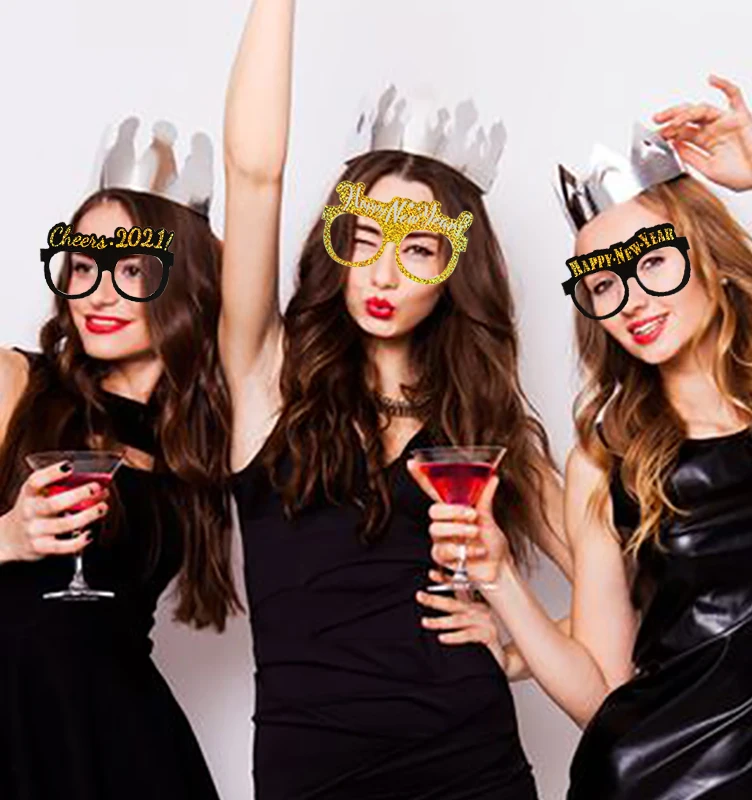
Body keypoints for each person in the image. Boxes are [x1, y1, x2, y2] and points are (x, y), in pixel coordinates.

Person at [219, 1, 572, 797]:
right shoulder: (268, 379)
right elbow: (252, 172)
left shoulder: (483, 425)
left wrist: (519, 649)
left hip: (471, 768)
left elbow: (627, 580)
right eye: (366, 240)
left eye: (417, 249)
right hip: (312, 776)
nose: (383, 273)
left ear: (454, 274)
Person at [417, 74, 752, 799]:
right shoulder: (606, 460)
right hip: (652, 782)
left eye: (653, 261)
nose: (631, 299)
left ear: (711, 259)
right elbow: (601, 691)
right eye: (602, 284)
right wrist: (499, 577)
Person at [0, 120, 239, 800]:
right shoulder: (14, 384)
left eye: (133, 269)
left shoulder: (201, 440)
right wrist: (7, 538)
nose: (99, 293)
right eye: (84, 266)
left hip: (124, 750)